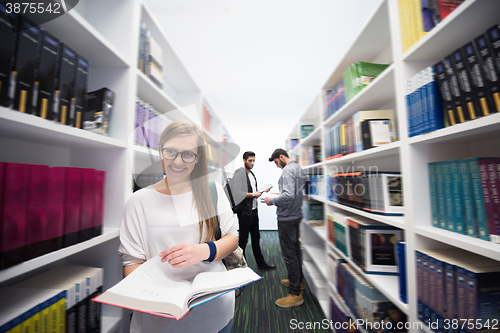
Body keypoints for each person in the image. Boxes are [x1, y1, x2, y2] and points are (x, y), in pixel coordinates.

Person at [118, 120, 239, 333]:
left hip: (215, 314)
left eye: (188, 154)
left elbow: (232, 238)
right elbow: (131, 261)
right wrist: (158, 296)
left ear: (197, 158)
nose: (178, 161)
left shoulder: (213, 191)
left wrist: (204, 250)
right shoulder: (138, 201)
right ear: (160, 150)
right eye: (171, 151)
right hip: (161, 320)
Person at [265, 148, 306, 308]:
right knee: (296, 252)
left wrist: (272, 200)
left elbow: (288, 195)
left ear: (281, 157)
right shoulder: (298, 168)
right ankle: (299, 281)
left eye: (276, 162)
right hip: (296, 216)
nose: (277, 166)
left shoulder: (287, 171)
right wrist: (279, 195)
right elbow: (294, 194)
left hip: (287, 219)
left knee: (289, 256)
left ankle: (295, 294)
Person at [232, 151, 276, 270]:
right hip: (245, 213)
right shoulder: (239, 173)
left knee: (256, 239)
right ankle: (241, 267)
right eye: (250, 161)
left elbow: (253, 193)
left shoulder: (251, 174)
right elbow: (236, 193)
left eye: (253, 161)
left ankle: (261, 264)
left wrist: (261, 192)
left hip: (253, 211)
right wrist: (253, 194)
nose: (252, 163)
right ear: (244, 160)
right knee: (243, 241)